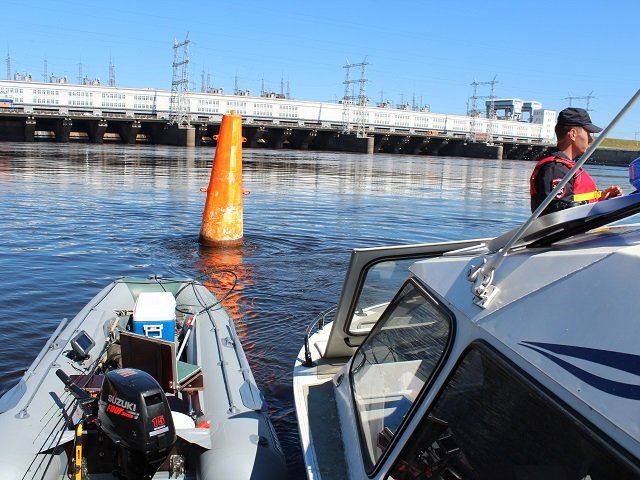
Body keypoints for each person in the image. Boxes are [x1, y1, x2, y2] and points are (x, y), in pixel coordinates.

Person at [529, 107, 623, 215]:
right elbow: (559, 212)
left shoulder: (565, 168)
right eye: (588, 133)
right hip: (570, 232)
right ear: (573, 134)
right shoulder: (555, 169)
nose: (591, 139)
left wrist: (602, 199)